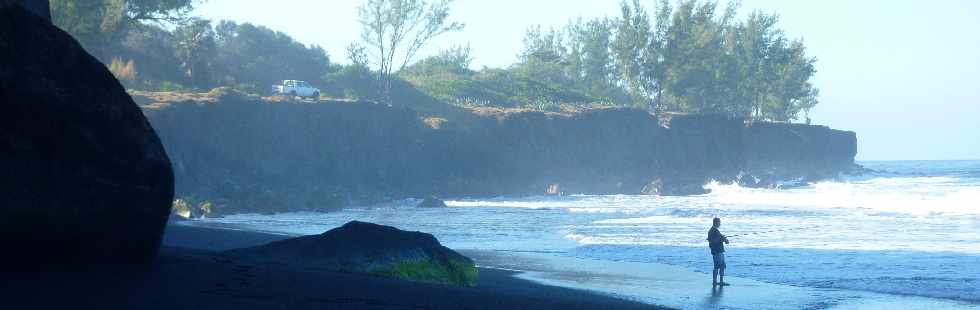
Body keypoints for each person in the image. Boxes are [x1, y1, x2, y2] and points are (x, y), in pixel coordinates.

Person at [707, 217, 730, 286]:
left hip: (717, 251)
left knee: (719, 266)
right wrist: (722, 239)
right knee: (720, 266)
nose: (720, 224)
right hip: (717, 251)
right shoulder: (713, 231)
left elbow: (715, 240)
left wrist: (723, 239)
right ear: (715, 223)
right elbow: (714, 241)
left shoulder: (714, 230)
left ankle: (716, 281)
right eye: (719, 222)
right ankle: (719, 281)